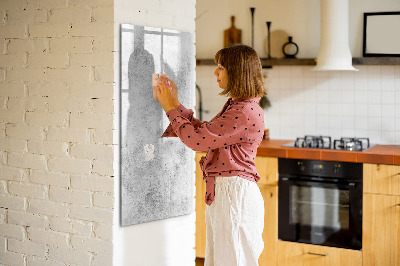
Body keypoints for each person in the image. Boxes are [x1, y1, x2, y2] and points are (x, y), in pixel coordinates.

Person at [153, 44, 267, 266]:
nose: (215, 72)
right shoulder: (239, 106)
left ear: (237, 72)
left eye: (221, 67)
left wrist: (169, 108)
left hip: (234, 196)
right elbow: (205, 133)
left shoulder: (243, 111)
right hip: (228, 194)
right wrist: (175, 103)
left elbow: (197, 141)